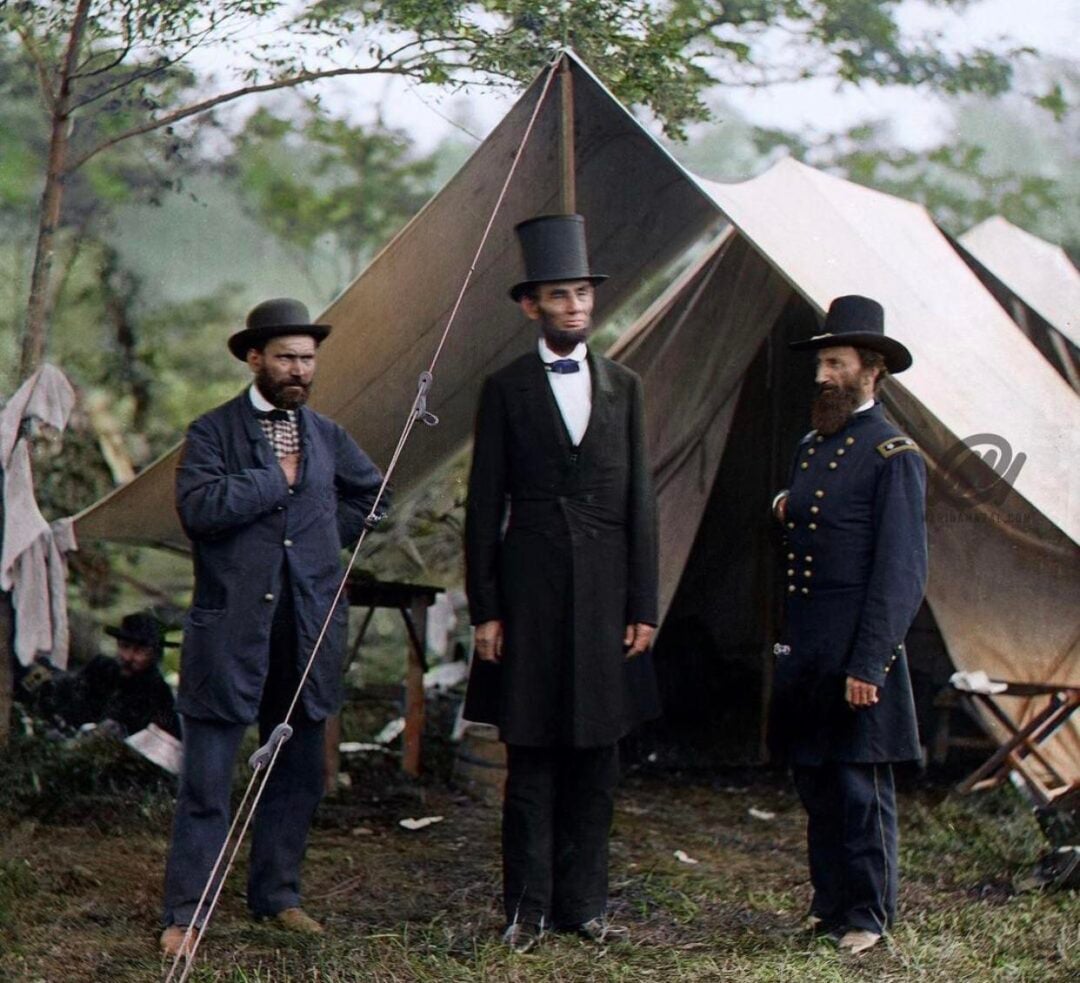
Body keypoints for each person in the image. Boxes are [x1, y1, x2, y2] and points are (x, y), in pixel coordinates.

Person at [160, 298, 385, 958]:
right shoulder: (212, 432)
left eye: (308, 358)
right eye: (286, 357)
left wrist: (321, 541)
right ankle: (185, 913)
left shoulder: (327, 434)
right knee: (207, 779)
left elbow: (373, 494)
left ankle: (277, 895)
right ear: (254, 358)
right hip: (230, 633)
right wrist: (272, 481)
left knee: (298, 773)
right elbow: (199, 510)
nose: (299, 370)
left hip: (306, 631)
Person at [463, 214, 659, 953]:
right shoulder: (505, 388)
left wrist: (644, 604)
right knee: (533, 759)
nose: (575, 306)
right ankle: (526, 909)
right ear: (531, 306)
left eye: (582, 293)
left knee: (598, 762)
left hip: (609, 598)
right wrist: (487, 608)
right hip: (530, 596)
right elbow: (485, 505)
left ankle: (585, 905)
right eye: (560, 295)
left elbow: (642, 499)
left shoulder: (626, 387)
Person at [770, 294, 927, 955]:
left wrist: (870, 663)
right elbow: (811, 518)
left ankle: (868, 914)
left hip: (857, 646)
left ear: (873, 370)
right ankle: (829, 902)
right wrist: (785, 503)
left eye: (835, 362)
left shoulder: (895, 454)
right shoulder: (814, 445)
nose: (822, 375)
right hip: (808, 643)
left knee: (860, 785)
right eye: (821, 362)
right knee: (817, 779)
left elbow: (901, 573)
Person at [25, 610, 179, 738]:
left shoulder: (159, 693)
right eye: (125, 646)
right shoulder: (101, 669)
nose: (128, 657)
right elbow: (69, 695)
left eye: (139, 651)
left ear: (155, 655)